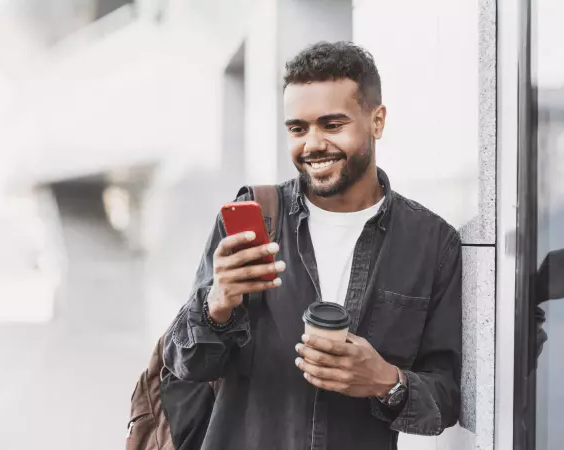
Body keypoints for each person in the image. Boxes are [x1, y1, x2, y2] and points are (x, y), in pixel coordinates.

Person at [163, 41, 462, 449]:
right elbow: (185, 365)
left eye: (332, 124)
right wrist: (217, 305)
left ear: (377, 121)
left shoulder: (431, 243)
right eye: (298, 128)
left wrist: (386, 382)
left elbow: (445, 399)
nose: (313, 144)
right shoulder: (254, 219)